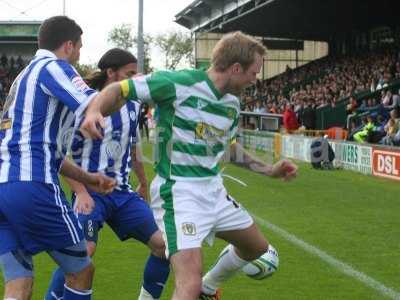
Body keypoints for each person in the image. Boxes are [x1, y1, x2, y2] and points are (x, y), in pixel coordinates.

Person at [80, 31, 298, 300]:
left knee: (257, 248)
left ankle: (209, 287)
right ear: (236, 68)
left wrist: (269, 170)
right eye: (254, 72)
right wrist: (93, 111)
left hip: (213, 191)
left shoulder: (231, 104)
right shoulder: (178, 83)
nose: (256, 79)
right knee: (188, 283)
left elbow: (226, 148)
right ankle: (199, 288)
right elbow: (119, 88)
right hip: (179, 192)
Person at [0, 16, 116, 300]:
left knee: (19, 284)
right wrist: (132, 89)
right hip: (32, 185)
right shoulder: (53, 67)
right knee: (81, 271)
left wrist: (89, 179)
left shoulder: (22, 78)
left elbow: (47, 152)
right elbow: (94, 102)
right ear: (68, 45)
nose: (79, 55)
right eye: (79, 48)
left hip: (4, 187)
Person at [45, 48, 170, 300]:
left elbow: (133, 147)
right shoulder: (82, 103)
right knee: (83, 253)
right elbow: (58, 153)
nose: (136, 78)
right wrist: (80, 191)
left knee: (163, 246)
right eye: (129, 73)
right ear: (111, 73)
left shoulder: (134, 105)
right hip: (91, 194)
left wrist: (143, 183)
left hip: (122, 194)